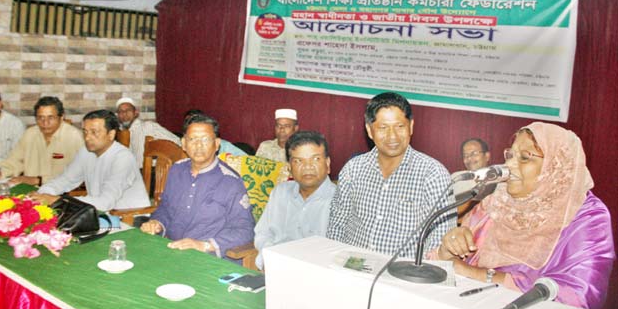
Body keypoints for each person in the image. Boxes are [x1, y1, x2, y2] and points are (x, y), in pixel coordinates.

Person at [435, 122, 615, 309]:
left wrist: (478, 274)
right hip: (471, 308)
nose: (509, 165)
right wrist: (448, 248)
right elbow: (451, 261)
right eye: (510, 155)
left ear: (555, 166)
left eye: (524, 158)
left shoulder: (587, 215)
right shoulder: (498, 201)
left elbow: (580, 296)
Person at [327, 92, 454, 257]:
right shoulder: (353, 169)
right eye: (383, 127)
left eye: (400, 126)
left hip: (402, 276)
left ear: (411, 126)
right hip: (352, 269)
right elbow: (337, 223)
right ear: (369, 130)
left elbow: (439, 241)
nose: (392, 136)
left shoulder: (433, 175)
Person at [140, 113, 254, 261]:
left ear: (217, 144)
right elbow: (165, 208)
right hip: (172, 249)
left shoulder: (230, 182)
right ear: (184, 143)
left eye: (205, 139)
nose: (198, 145)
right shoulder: (176, 170)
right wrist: (157, 223)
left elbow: (245, 230)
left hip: (207, 258)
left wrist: (204, 245)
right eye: (192, 139)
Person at [30, 110, 150, 212]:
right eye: (85, 132)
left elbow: (105, 202)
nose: (87, 138)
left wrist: (57, 200)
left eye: (94, 132)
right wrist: (42, 193)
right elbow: (66, 179)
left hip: (128, 219)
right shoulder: (86, 152)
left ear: (111, 134)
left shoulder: (123, 158)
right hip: (98, 214)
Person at [254, 131, 336, 270]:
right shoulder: (280, 192)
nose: (307, 166)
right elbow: (263, 234)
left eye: (315, 159)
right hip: (275, 269)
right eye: (298, 161)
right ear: (289, 168)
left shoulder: (340, 200)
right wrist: (267, 258)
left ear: (327, 164)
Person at [0, 97, 83, 185]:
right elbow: (15, 160)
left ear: (61, 117)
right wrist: (1, 172)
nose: (45, 123)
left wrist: (38, 180)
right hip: (30, 191)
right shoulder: (30, 134)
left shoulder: (75, 137)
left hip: (62, 193)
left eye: (51, 117)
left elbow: (80, 173)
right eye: (40, 118)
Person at [115, 97, 181, 168]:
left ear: (136, 113)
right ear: (117, 116)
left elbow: (177, 142)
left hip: (152, 174)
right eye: (120, 111)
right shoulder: (119, 135)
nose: (124, 113)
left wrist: (159, 159)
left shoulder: (148, 127)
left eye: (128, 110)